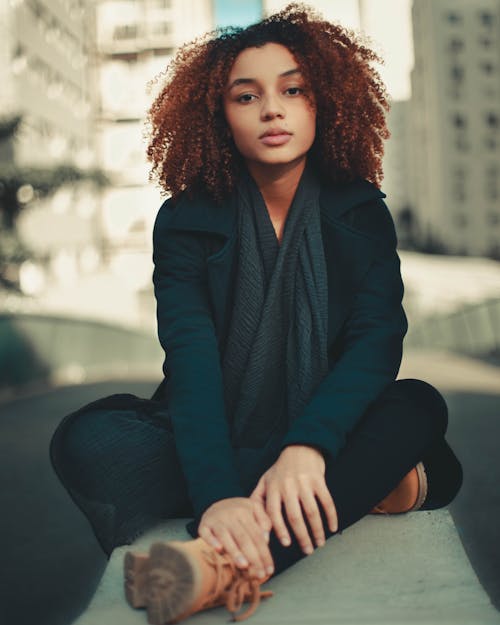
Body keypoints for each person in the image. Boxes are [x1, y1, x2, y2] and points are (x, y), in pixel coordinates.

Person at [49, 3, 464, 624]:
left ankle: (218, 568)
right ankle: (374, 485)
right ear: (219, 116)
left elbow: (376, 342)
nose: (273, 109)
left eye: (293, 90)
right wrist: (217, 495)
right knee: (86, 440)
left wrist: (307, 447)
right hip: (228, 427)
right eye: (247, 96)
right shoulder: (186, 220)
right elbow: (191, 365)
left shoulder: (359, 210)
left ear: (324, 102)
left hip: (326, 424)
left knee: (419, 403)